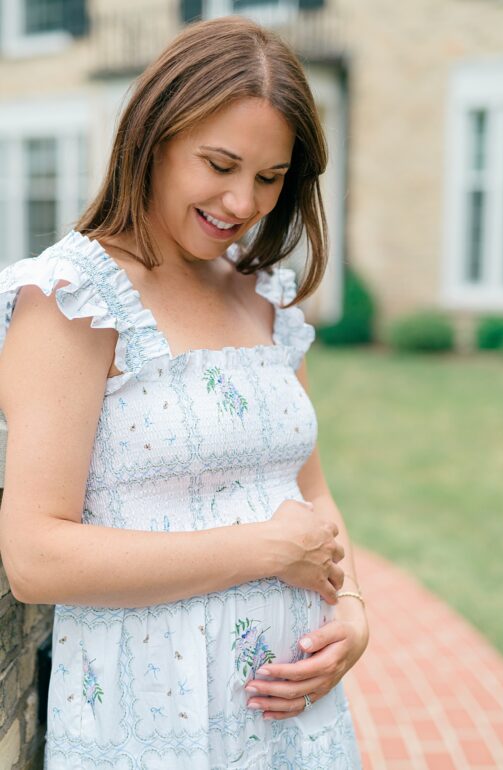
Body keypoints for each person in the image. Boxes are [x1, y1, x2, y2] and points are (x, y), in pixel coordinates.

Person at [0, 18, 366, 768]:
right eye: (220, 164)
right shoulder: (75, 300)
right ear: (156, 136)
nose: (242, 203)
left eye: (270, 178)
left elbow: (312, 494)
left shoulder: (266, 297)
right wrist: (262, 550)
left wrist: (352, 613)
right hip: (153, 726)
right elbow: (35, 557)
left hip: (299, 723)